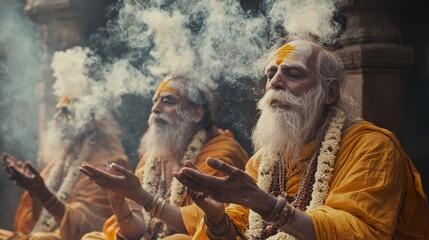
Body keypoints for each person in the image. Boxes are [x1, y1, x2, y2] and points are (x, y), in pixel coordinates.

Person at [174, 39, 429, 239]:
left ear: (328, 93)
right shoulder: (263, 160)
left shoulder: (372, 148)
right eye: (270, 74)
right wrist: (218, 221)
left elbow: (360, 231)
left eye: (293, 74)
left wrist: (263, 202)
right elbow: (245, 232)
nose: (275, 82)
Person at [79, 75, 249, 240]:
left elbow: (210, 222)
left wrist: (143, 197)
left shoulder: (220, 154)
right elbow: (136, 232)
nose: (155, 109)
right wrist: (117, 201)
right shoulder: (152, 158)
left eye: (168, 101)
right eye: (155, 101)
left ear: (196, 113)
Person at [0, 96, 129, 240]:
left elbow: (86, 226)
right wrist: (34, 192)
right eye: (57, 110)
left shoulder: (109, 161)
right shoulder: (61, 159)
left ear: (88, 119)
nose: (56, 117)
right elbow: (38, 221)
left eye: (65, 111)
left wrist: (43, 194)